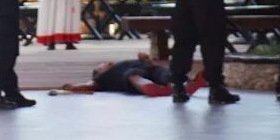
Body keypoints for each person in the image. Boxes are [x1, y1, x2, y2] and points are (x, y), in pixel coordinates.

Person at [60, 52, 206, 97]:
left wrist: (145, 59)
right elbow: (89, 85)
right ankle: (148, 87)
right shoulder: (102, 78)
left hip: (148, 68)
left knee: (163, 72)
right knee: (133, 76)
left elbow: (149, 65)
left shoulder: (122, 63)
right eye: (103, 64)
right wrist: (74, 87)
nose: (108, 63)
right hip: (131, 75)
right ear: (99, 72)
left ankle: (178, 85)